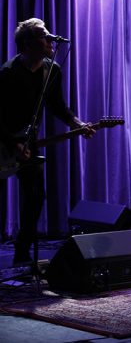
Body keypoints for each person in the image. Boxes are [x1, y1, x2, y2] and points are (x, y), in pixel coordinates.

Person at [0, 18, 95, 265]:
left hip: (28, 142)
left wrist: (77, 123)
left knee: (35, 197)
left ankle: (22, 252)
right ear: (28, 44)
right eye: (44, 36)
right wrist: (13, 144)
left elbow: (58, 106)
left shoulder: (52, 70)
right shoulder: (8, 73)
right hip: (4, 140)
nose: (51, 40)